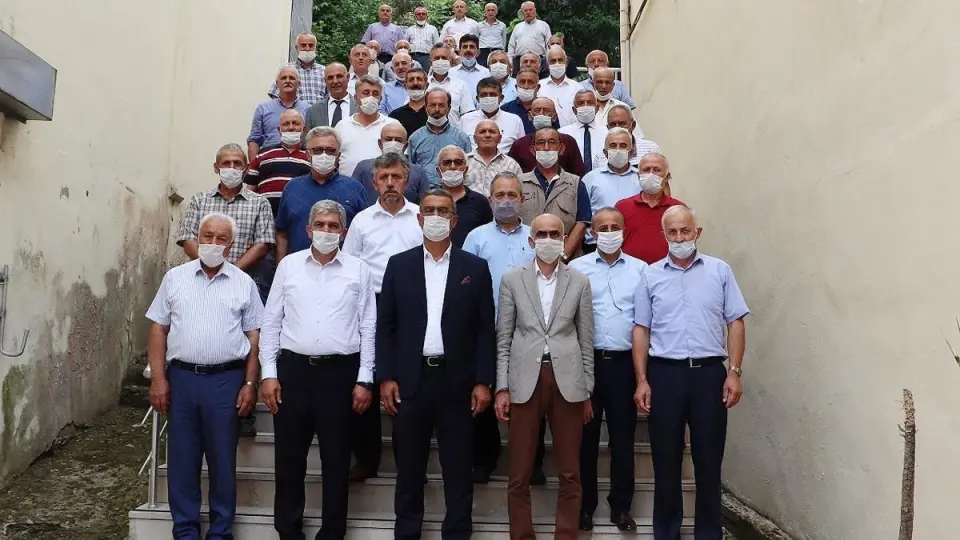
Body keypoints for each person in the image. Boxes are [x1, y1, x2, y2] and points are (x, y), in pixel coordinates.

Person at [377, 188, 496, 540]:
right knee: (409, 467)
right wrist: (385, 377)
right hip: (410, 381)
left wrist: (483, 381)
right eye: (429, 210)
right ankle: (407, 531)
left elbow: (485, 330)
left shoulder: (475, 268)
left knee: (458, 467)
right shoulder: (399, 265)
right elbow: (386, 326)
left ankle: (457, 532)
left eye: (443, 211)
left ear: (454, 221)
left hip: (457, 381)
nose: (435, 217)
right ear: (419, 218)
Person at [259, 200, 377, 540]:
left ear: (344, 232)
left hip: (340, 375)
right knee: (289, 459)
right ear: (309, 230)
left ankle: (332, 532)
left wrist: (365, 378)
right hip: (293, 373)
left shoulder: (358, 269)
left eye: (333, 226)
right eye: (321, 225)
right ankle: (288, 530)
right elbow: (271, 321)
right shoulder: (289, 266)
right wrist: (269, 373)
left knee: (336, 460)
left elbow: (368, 326)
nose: (327, 231)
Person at [634, 205, 749, 540]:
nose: (679, 237)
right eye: (672, 232)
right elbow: (641, 329)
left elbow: (735, 322)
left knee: (709, 460)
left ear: (697, 232)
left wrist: (734, 371)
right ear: (664, 235)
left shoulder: (719, 271)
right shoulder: (650, 275)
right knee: (665, 460)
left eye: (685, 231)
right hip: (665, 375)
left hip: (709, 376)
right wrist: (642, 380)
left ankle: (709, 533)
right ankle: (666, 532)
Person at [146, 212, 263, 540]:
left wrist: (250, 383)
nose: (213, 243)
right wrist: (158, 379)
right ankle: (185, 531)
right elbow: (158, 328)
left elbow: (255, 337)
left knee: (223, 460)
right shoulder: (175, 278)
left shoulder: (244, 282)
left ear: (231, 244)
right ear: (197, 238)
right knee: (182, 460)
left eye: (221, 238)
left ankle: (221, 532)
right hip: (182, 379)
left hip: (226, 381)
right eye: (207, 236)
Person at [494, 212, 595, 540]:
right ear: (531, 240)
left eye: (555, 234)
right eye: (542, 234)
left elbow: (586, 339)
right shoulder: (512, 279)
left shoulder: (579, 281)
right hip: (525, 380)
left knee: (570, 471)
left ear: (564, 240)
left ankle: (566, 534)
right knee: (519, 471)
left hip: (568, 381)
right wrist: (502, 387)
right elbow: (504, 337)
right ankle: (522, 535)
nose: (548, 240)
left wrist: (587, 389)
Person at [342, 153, 425, 481]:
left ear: (407, 181)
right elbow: (348, 268)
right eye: (384, 178)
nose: (390, 183)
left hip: (412, 306)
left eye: (396, 177)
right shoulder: (362, 221)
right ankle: (366, 459)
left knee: (407, 383)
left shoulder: (420, 217)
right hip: (370, 304)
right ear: (374, 182)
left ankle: (410, 463)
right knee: (367, 381)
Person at [569, 207, 646, 532]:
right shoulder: (576, 268)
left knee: (623, 439)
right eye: (603, 227)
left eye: (616, 227)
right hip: (587, 363)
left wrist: (642, 376)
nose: (610, 232)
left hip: (624, 365)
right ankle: (584, 507)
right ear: (592, 233)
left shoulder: (641, 270)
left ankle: (621, 507)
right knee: (584, 440)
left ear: (624, 232)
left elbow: (645, 321)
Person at [462, 172, 535, 483]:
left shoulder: (535, 236)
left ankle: (532, 462)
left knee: (529, 396)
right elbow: (464, 282)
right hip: (485, 328)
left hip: (528, 331)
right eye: (500, 195)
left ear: (522, 199)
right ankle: (484, 459)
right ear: (490, 200)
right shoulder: (476, 237)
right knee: (483, 392)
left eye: (511, 195)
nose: (506, 201)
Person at [178, 144, 275, 319]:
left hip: (244, 281)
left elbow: (263, 244)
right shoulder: (199, 200)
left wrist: (231, 272)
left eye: (237, 163)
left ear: (246, 169)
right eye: (226, 163)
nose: (232, 168)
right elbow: (188, 239)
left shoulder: (260, 203)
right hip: (201, 280)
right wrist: (210, 268)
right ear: (216, 168)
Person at [275, 127, 368, 261]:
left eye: (330, 151)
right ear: (308, 155)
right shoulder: (292, 187)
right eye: (318, 150)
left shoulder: (355, 188)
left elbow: (365, 232)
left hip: (343, 268)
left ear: (338, 156)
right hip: (298, 268)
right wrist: (281, 267)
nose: (324, 155)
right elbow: (282, 233)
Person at [517, 127, 591, 263]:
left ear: (561, 148)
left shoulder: (576, 183)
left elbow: (581, 224)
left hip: (567, 263)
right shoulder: (519, 183)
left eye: (552, 142)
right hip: (525, 261)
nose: (546, 148)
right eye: (541, 142)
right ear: (533, 150)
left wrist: (563, 257)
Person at [614, 152, 685, 263]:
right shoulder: (622, 207)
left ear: (667, 177)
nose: (651, 174)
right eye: (646, 170)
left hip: (667, 270)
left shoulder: (678, 209)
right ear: (638, 175)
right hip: (630, 270)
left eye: (657, 170)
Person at [579, 128, 638, 253]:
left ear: (632, 152)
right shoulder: (590, 179)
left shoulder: (641, 178)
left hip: (633, 245)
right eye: (613, 146)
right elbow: (582, 218)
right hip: (595, 246)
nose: (617, 150)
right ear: (605, 152)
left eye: (623, 146)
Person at [245, 110, 311, 217]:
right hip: (265, 217)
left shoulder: (311, 156)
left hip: (300, 218)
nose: (290, 127)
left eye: (295, 123)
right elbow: (250, 191)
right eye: (285, 124)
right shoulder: (262, 154)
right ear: (279, 130)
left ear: (304, 129)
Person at [335, 75, 401, 177]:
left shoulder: (392, 125)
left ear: (380, 99)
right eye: (366, 93)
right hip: (347, 184)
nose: (371, 97)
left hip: (382, 184)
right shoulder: (342, 126)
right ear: (356, 98)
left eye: (375, 94)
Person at [351, 123, 430, 204]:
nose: (393, 143)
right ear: (380, 143)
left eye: (398, 140)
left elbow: (426, 203)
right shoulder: (363, 168)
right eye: (388, 139)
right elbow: (352, 197)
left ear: (405, 146)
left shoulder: (418, 172)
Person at [408, 88, 472, 187]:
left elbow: (468, 170)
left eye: (441, 105)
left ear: (449, 108)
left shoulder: (461, 138)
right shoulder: (415, 138)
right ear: (425, 108)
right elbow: (410, 170)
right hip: (424, 192)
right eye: (433, 105)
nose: (437, 109)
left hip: (453, 190)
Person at [508, 98, 585, 177]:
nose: (541, 114)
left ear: (554, 117)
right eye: (537, 110)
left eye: (546, 110)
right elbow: (511, 175)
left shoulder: (568, 141)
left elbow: (578, 173)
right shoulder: (519, 145)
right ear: (530, 116)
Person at [248, 66, 311, 161]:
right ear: (277, 84)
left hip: (300, 161)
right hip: (269, 161)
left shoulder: (308, 109)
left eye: (292, 78)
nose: (288, 81)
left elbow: (313, 139)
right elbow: (254, 141)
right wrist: (255, 166)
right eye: (284, 78)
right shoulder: (263, 109)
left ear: (298, 84)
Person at [434, 145, 493, 247]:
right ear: (438, 170)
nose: (452, 167)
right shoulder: (429, 201)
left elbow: (488, 236)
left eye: (458, 162)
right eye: (447, 163)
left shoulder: (480, 201)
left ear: (465, 170)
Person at [460, 77, 525, 154]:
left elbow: (521, 149)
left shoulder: (515, 120)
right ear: (477, 99)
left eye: (492, 95)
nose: (488, 98)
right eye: (484, 95)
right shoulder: (465, 120)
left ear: (501, 98)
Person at [465, 119, 523, 196]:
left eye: (492, 132)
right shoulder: (463, 162)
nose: (487, 135)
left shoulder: (511, 164)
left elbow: (520, 192)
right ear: (475, 139)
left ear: (500, 138)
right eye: (482, 132)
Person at [268, 33, 326, 105]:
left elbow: (331, 98)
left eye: (311, 45)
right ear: (296, 48)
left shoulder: (324, 71)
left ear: (315, 48)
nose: (307, 49)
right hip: (293, 111)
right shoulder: (286, 70)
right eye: (303, 45)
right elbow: (275, 96)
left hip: (318, 112)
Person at [426, 44, 475, 126]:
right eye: (437, 58)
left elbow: (467, 115)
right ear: (430, 62)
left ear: (450, 61)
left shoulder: (460, 85)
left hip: (454, 131)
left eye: (444, 58)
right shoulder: (423, 85)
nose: (440, 60)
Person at [559, 89, 604, 175]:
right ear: (574, 110)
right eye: (581, 103)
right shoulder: (562, 134)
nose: (585, 106)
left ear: (597, 108)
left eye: (590, 103)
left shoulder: (607, 133)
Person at [539, 46, 583, 127]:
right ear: (548, 65)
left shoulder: (577, 87)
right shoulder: (539, 86)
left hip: (571, 132)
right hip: (546, 131)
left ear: (566, 63)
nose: (557, 63)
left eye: (560, 60)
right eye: (553, 61)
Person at [305, 63, 355, 131]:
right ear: (325, 81)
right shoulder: (313, 111)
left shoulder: (359, 107)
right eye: (330, 78)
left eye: (339, 76)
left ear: (348, 77)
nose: (335, 81)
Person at [507, 2, 552, 76]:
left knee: (540, 80)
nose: (528, 12)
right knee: (518, 80)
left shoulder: (544, 25)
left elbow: (549, 44)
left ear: (535, 10)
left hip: (539, 60)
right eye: (525, 10)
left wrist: (548, 60)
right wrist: (510, 60)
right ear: (522, 12)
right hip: (519, 61)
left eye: (530, 10)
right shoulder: (518, 27)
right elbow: (511, 45)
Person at [449, 34, 490, 103]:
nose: (468, 50)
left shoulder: (486, 74)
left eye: (472, 47)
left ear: (478, 52)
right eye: (465, 47)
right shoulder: (451, 73)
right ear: (459, 52)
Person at [390, 68, 430, 135]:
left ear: (427, 85)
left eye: (419, 79)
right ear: (405, 86)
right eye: (411, 80)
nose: (415, 83)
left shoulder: (434, 113)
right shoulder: (395, 116)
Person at [501, 68, 541, 135]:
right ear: (516, 87)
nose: (526, 86)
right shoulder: (505, 109)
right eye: (522, 82)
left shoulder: (546, 109)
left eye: (530, 82)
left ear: (538, 87)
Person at [406, 5, 441, 72]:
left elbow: (437, 46)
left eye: (423, 14)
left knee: (427, 75)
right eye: (418, 14)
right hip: (413, 57)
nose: (421, 15)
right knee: (413, 75)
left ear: (427, 16)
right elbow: (405, 46)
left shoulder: (433, 29)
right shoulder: (409, 30)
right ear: (415, 16)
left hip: (427, 57)